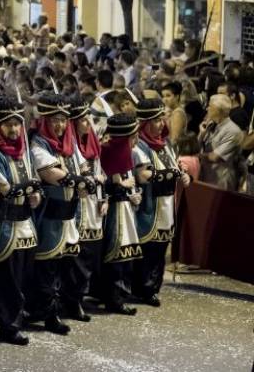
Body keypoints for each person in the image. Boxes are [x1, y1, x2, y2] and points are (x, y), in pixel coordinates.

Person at [28, 94, 94, 335]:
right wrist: (75, 179)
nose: (60, 125)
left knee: (64, 265)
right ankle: (48, 314)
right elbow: (50, 173)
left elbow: (81, 167)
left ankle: (59, 307)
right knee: (47, 267)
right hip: (49, 216)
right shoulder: (39, 143)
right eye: (55, 120)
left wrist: (84, 179)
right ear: (45, 120)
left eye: (63, 120)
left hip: (69, 213)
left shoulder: (69, 143)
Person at [0, 96, 40, 346]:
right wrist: (28, 188)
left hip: (26, 223)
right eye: (8, 124)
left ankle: (17, 317)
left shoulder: (24, 152)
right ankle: (8, 325)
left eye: (17, 124)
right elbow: (6, 189)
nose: (14, 129)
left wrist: (35, 193)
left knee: (23, 275)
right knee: (8, 278)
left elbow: (33, 182)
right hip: (6, 224)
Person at [134, 99, 190, 307]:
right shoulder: (139, 144)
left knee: (160, 250)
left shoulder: (166, 144)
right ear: (146, 123)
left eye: (161, 119)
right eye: (156, 121)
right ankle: (143, 289)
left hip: (166, 204)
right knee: (147, 249)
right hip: (149, 204)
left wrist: (183, 175)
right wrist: (168, 173)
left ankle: (153, 287)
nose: (161, 124)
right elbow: (143, 175)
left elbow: (176, 166)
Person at [61, 99, 106, 322]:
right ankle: (72, 300)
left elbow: (101, 170)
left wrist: (103, 196)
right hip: (79, 205)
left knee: (90, 256)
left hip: (95, 204)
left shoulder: (93, 141)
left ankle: (82, 295)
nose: (89, 123)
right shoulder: (71, 145)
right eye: (84, 119)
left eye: (89, 118)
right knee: (76, 256)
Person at [97, 114, 142, 315]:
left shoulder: (125, 154)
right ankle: (114, 298)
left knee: (126, 256)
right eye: (133, 136)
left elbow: (127, 176)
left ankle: (121, 294)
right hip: (115, 211)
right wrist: (119, 186)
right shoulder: (109, 152)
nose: (136, 141)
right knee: (117, 256)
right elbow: (106, 182)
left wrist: (133, 194)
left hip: (127, 210)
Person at [198, 94, 243, 191]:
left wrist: (195, 156)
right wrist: (201, 134)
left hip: (221, 181)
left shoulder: (233, 131)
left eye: (210, 106)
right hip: (205, 176)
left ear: (218, 110)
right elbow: (197, 146)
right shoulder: (210, 125)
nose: (207, 108)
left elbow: (215, 157)